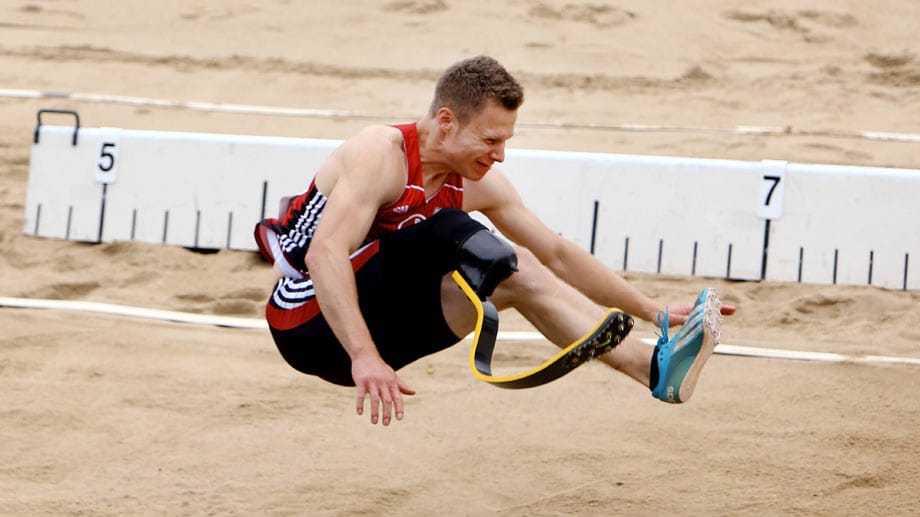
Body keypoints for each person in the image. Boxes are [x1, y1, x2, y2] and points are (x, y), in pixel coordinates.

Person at [255, 55, 734, 426]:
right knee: (450, 232)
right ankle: (368, 348)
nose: (500, 155)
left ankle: (654, 369)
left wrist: (649, 308)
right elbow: (324, 253)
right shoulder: (380, 155)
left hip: (379, 330)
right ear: (446, 121)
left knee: (512, 271)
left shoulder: (475, 179)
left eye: (506, 141)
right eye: (490, 140)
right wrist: (364, 357)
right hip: (309, 324)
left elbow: (557, 253)